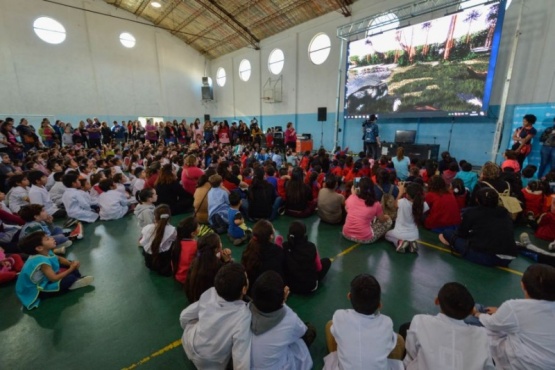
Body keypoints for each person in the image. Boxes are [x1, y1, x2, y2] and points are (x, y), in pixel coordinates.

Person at [473, 264, 555, 370]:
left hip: (522, 364)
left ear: (522, 285)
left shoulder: (514, 307)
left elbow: (491, 324)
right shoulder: (517, 310)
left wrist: (477, 314)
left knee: (475, 316)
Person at [403, 282, 494, 370]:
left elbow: (411, 353)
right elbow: (488, 367)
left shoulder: (420, 321)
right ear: (471, 311)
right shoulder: (482, 335)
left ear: (437, 301)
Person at [323, 274, 403, 370]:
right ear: (379, 305)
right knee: (399, 340)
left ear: (349, 296)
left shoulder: (339, 316)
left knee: (330, 325)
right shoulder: (387, 322)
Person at [180, 263, 251, 369]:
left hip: (188, 342)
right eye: (246, 278)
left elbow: (184, 316)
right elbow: (241, 364)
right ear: (244, 289)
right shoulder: (243, 316)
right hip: (210, 364)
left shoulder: (210, 293)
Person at [249, 271, 313, 370]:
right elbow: (302, 331)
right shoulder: (289, 318)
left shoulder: (245, 310)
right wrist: (282, 303)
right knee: (309, 331)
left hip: (248, 365)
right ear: (283, 294)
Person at [439, 188, 517, 267]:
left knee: (446, 233)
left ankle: (455, 246)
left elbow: (461, 234)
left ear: (477, 200)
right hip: (508, 259)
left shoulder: (471, 213)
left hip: (487, 257)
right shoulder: (504, 212)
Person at [15, 231, 93, 310]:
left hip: (45, 277)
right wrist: (71, 268)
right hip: (36, 289)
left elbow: (59, 259)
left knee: (68, 264)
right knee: (70, 278)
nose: (52, 238)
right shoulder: (41, 261)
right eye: (47, 239)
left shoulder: (46, 251)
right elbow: (54, 278)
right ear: (39, 248)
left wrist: (71, 264)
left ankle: (76, 279)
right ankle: (73, 281)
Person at [283, 220, 330, 294]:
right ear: (304, 233)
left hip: (290, 286)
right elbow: (319, 268)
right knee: (327, 261)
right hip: (309, 287)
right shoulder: (311, 247)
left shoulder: (285, 246)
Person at [342, 177, 392, 244]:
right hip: (364, 239)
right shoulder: (376, 204)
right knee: (388, 221)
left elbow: (347, 209)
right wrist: (387, 216)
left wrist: (353, 194)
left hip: (346, 234)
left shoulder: (351, 198)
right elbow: (382, 220)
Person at [184, 233, 232, 302]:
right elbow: (229, 278)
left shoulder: (197, 260)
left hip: (194, 298)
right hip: (208, 302)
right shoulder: (216, 266)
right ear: (216, 249)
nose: (221, 244)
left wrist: (221, 257)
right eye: (220, 242)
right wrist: (227, 261)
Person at [241, 220, 284, 291]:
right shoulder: (277, 251)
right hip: (271, 291)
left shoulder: (248, 249)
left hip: (252, 289)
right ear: (271, 236)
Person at [385, 182, 427, 253]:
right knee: (408, 238)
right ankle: (411, 244)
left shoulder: (402, 202)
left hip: (400, 233)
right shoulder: (423, 205)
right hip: (414, 235)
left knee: (387, 235)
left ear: (407, 195)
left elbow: (395, 205)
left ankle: (399, 242)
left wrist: (400, 193)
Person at [139, 204, 176, 276]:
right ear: (169, 217)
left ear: (155, 217)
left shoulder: (147, 228)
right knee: (175, 243)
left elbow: (142, 242)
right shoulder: (172, 230)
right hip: (163, 262)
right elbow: (174, 239)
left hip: (149, 262)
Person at [171, 217, 199, 284]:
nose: (199, 226)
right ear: (192, 233)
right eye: (198, 226)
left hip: (178, 275)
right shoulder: (195, 245)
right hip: (188, 279)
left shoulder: (177, 242)